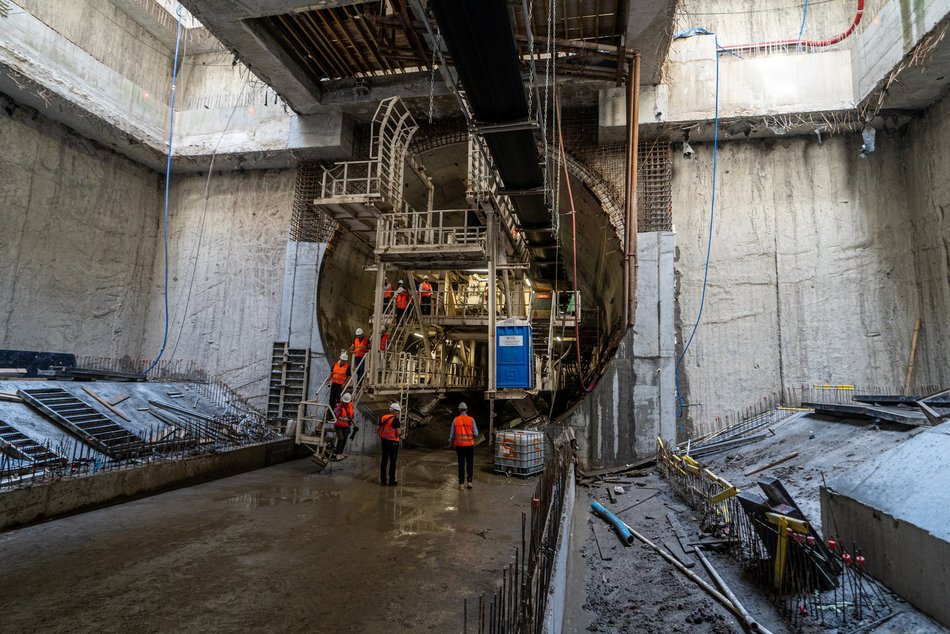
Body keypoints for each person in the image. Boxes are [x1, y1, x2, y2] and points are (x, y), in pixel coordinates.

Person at [449, 401, 478, 489]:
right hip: (469, 445)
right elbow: (476, 433)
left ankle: (461, 484)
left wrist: (450, 442)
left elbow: (451, 435)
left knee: (461, 464)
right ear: (466, 409)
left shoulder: (455, 420)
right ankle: (469, 482)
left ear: (459, 410)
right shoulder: (471, 420)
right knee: (470, 463)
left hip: (459, 445)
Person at [378, 402, 402, 486]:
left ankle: (383, 481)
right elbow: (398, 432)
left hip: (384, 441)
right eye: (397, 411)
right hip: (393, 443)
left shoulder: (383, 417)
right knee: (393, 462)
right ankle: (392, 481)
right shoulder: (395, 420)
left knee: (384, 461)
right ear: (393, 411)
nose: (398, 413)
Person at [334, 393, 354, 459]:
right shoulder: (339, 406)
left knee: (345, 440)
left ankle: (340, 453)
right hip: (339, 425)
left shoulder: (350, 405)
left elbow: (351, 416)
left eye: (347, 402)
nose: (346, 403)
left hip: (346, 425)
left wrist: (354, 425)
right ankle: (337, 454)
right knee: (341, 438)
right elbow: (337, 416)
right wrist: (344, 419)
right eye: (345, 402)